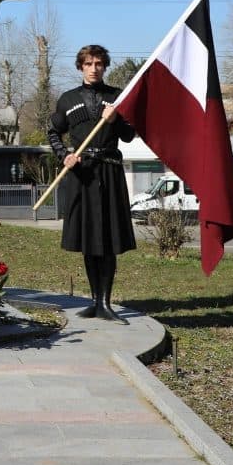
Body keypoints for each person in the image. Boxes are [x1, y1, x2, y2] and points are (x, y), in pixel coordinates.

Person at [48, 44, 136, 323]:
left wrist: (116, 119)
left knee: (107, 241)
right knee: (89, 241)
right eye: (88, 64)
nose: (94, 68)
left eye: (99, 63)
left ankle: (107, 302)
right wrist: (64, 156)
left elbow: (129, 135)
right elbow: (53, 132)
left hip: (109, 173)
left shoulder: (116, 97)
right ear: (80, 67)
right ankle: (94, 301)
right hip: (82, 174)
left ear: (105, 66)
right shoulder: (67, 99)